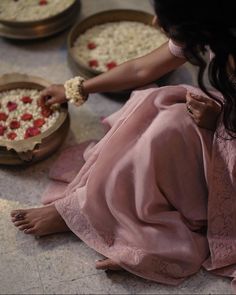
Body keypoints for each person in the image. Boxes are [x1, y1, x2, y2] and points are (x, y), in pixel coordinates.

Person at [11, 0, 236, 288]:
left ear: (201, 25)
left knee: (165, 129)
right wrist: (77, 88)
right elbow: (143, 69)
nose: (154, 23)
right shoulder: (217, 28)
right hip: (225, 115)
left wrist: (219, 122)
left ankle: (126, 233)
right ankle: (95, 210)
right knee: (152, 106)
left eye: (163, 16)